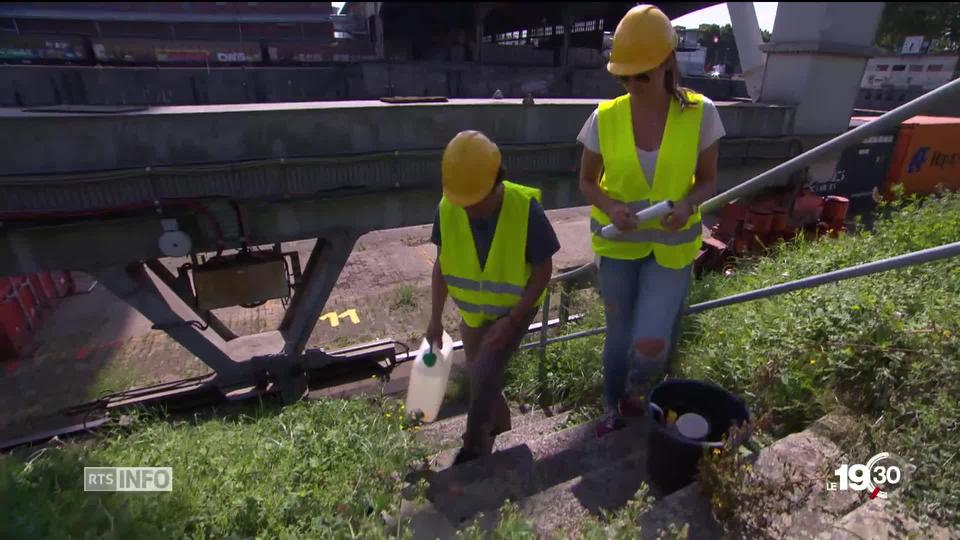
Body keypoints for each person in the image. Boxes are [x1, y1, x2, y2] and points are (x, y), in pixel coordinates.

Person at [576, 5, 725, 437]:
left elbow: (709, 179)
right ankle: (612, 405)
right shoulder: (604, 118)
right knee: (618, 336)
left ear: (666, 63)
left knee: (651, 341)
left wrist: (686, 205)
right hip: (617, 246)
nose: (633, 85)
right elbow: (587, 181)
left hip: (672, 248)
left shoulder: (701, 113)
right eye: (625, 77)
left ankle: (638, 385)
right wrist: (611, 207)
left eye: (642, 75)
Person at [426, 130, 560, 464]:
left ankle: (474, 447)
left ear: (496, 183)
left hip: (516, 308)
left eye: (475, 200)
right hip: (475, 312)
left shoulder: (524, 209)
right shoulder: (449, 206)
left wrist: (513, 320)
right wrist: (434, 319)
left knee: (484, 368)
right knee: (478, 370)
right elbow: (443, 265)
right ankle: (502, 425)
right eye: (463, 201)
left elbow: (544, 271)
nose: (467, 209)